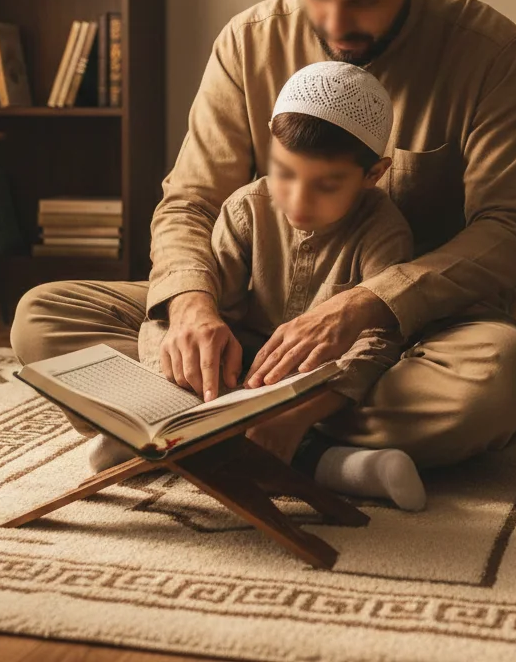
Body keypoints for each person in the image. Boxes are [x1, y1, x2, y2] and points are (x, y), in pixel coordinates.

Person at [10, 0, 516, 506]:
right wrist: (191, 307)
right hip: (247, 326)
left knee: (509, 378)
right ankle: (315, 451)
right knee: (43, 320)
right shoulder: (249, 42)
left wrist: (368, 303)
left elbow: (512, 230)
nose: (333, 22)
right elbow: (190, 201)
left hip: (400, 343)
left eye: (363, 1)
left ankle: (184, 426)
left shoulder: (491, 54)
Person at [132, 60, 425, 509]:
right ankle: (336, 465)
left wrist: (295, 415)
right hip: (237, 371)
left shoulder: (384, 229)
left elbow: (378, 342)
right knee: (160, 321)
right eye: (285, 174)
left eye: (327, 185)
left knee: (411, 383)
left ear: (374, 173)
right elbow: (215, 316)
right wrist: (207, 360)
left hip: (319, 384)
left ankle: (165, 439)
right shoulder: (246, 208)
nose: (298, 200)